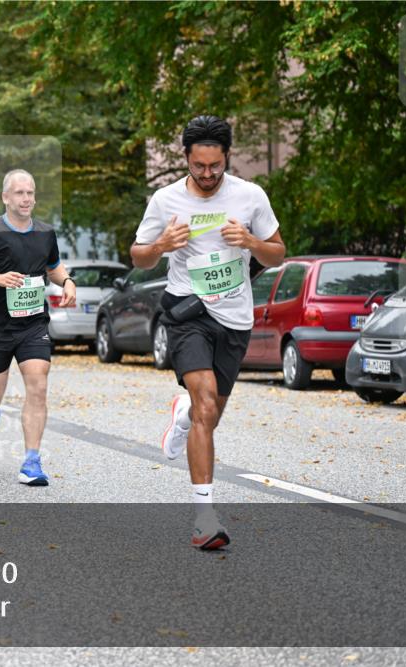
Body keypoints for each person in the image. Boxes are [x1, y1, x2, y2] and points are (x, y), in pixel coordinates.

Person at [132, 115, 285, 550]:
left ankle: (180, 418)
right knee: (204, 405)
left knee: (208, 413)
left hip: (234, 319)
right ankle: (204, 519)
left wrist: (251, 243)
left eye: (215, 166)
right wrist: (161, 246)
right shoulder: (165, 200)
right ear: (186, 158)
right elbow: (139, 256)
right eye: (199, 166)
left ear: (226, 159)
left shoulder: (250, 196)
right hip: (188, 314)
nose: (207, 174)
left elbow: (277, 253)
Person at [0, 169, 76, 486]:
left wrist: (66, 281)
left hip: (33, 325)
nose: (26, 199)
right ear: (5, 197)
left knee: (37, 385)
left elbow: (52, 266)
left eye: (30, 193)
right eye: (20, 193)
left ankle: (32, 461)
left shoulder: (45, 233)